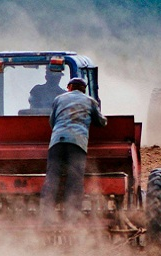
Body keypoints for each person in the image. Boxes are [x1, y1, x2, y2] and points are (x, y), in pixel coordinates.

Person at [39, 77, 107, 224]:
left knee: (52, 178)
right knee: (74, 180)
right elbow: (100, 122)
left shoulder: (59, 99)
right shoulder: (90, 101)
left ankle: (46, 216)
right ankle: (72, 217)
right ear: (84, 89)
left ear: (69, 87)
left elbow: (52, 121)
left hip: (57, 142)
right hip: (77, 143)